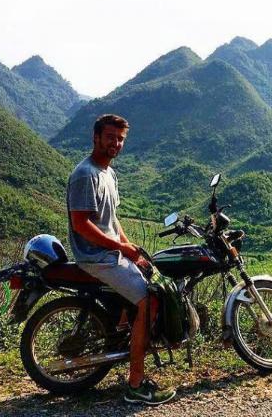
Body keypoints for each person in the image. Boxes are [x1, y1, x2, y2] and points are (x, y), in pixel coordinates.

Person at [66, 114, 176, 405]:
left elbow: (111, 219)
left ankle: (126, 334)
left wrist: (130, 248)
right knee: (148, 300)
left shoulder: (108, 173)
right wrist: (119, 248)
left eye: (120, 139)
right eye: (110, 137)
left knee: (154, 279)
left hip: (111, 251)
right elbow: (81, 224)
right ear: (96, 137)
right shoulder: (85, 174)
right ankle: (136, 385)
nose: (116, 143)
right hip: (95, 256)